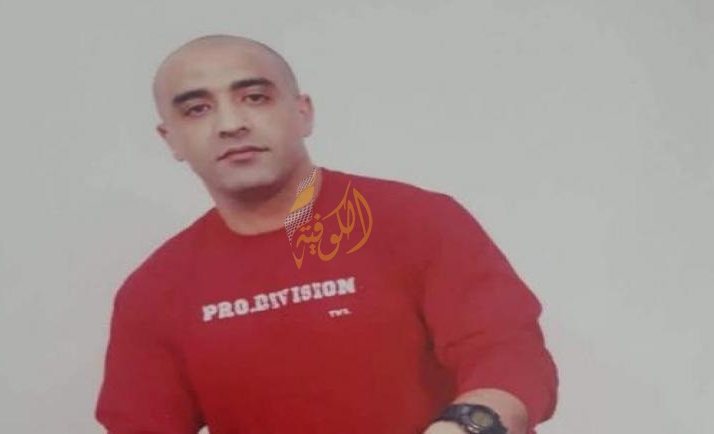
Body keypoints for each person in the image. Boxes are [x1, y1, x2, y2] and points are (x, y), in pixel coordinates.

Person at [95, 34, 558, 434]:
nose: (231, 124)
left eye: (255, 97)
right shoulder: (155, 290)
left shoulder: (418, 221)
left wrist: (465, 426)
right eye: (197, 109)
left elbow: (509, 354)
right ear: (170, 139)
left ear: (303, 113)